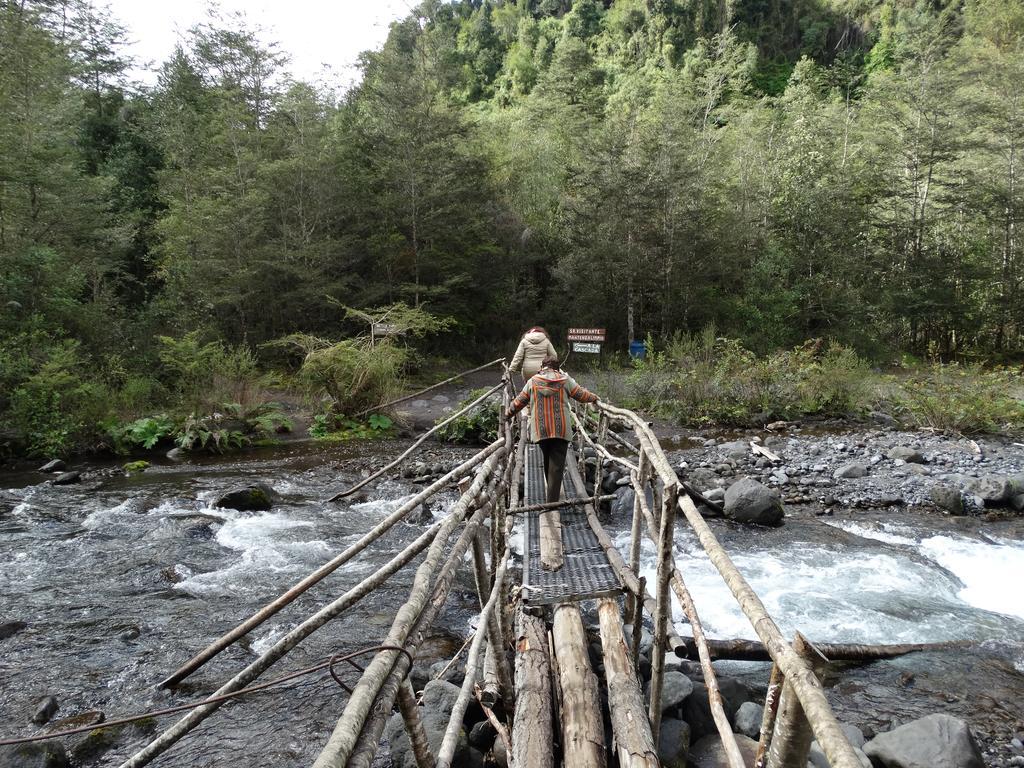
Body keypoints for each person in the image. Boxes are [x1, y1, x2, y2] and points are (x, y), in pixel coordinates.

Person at [506, 357, 599, 503]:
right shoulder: (564, 380)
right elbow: (581, 395)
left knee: (547, 458)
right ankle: (552, 503)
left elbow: (519, 401)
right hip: (560, 428)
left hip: (540, 428)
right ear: (557, 368)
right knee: (556, 465)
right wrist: (594, 398)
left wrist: (507, 414)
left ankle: (551, 494)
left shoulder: (533, 381)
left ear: (542, 366)